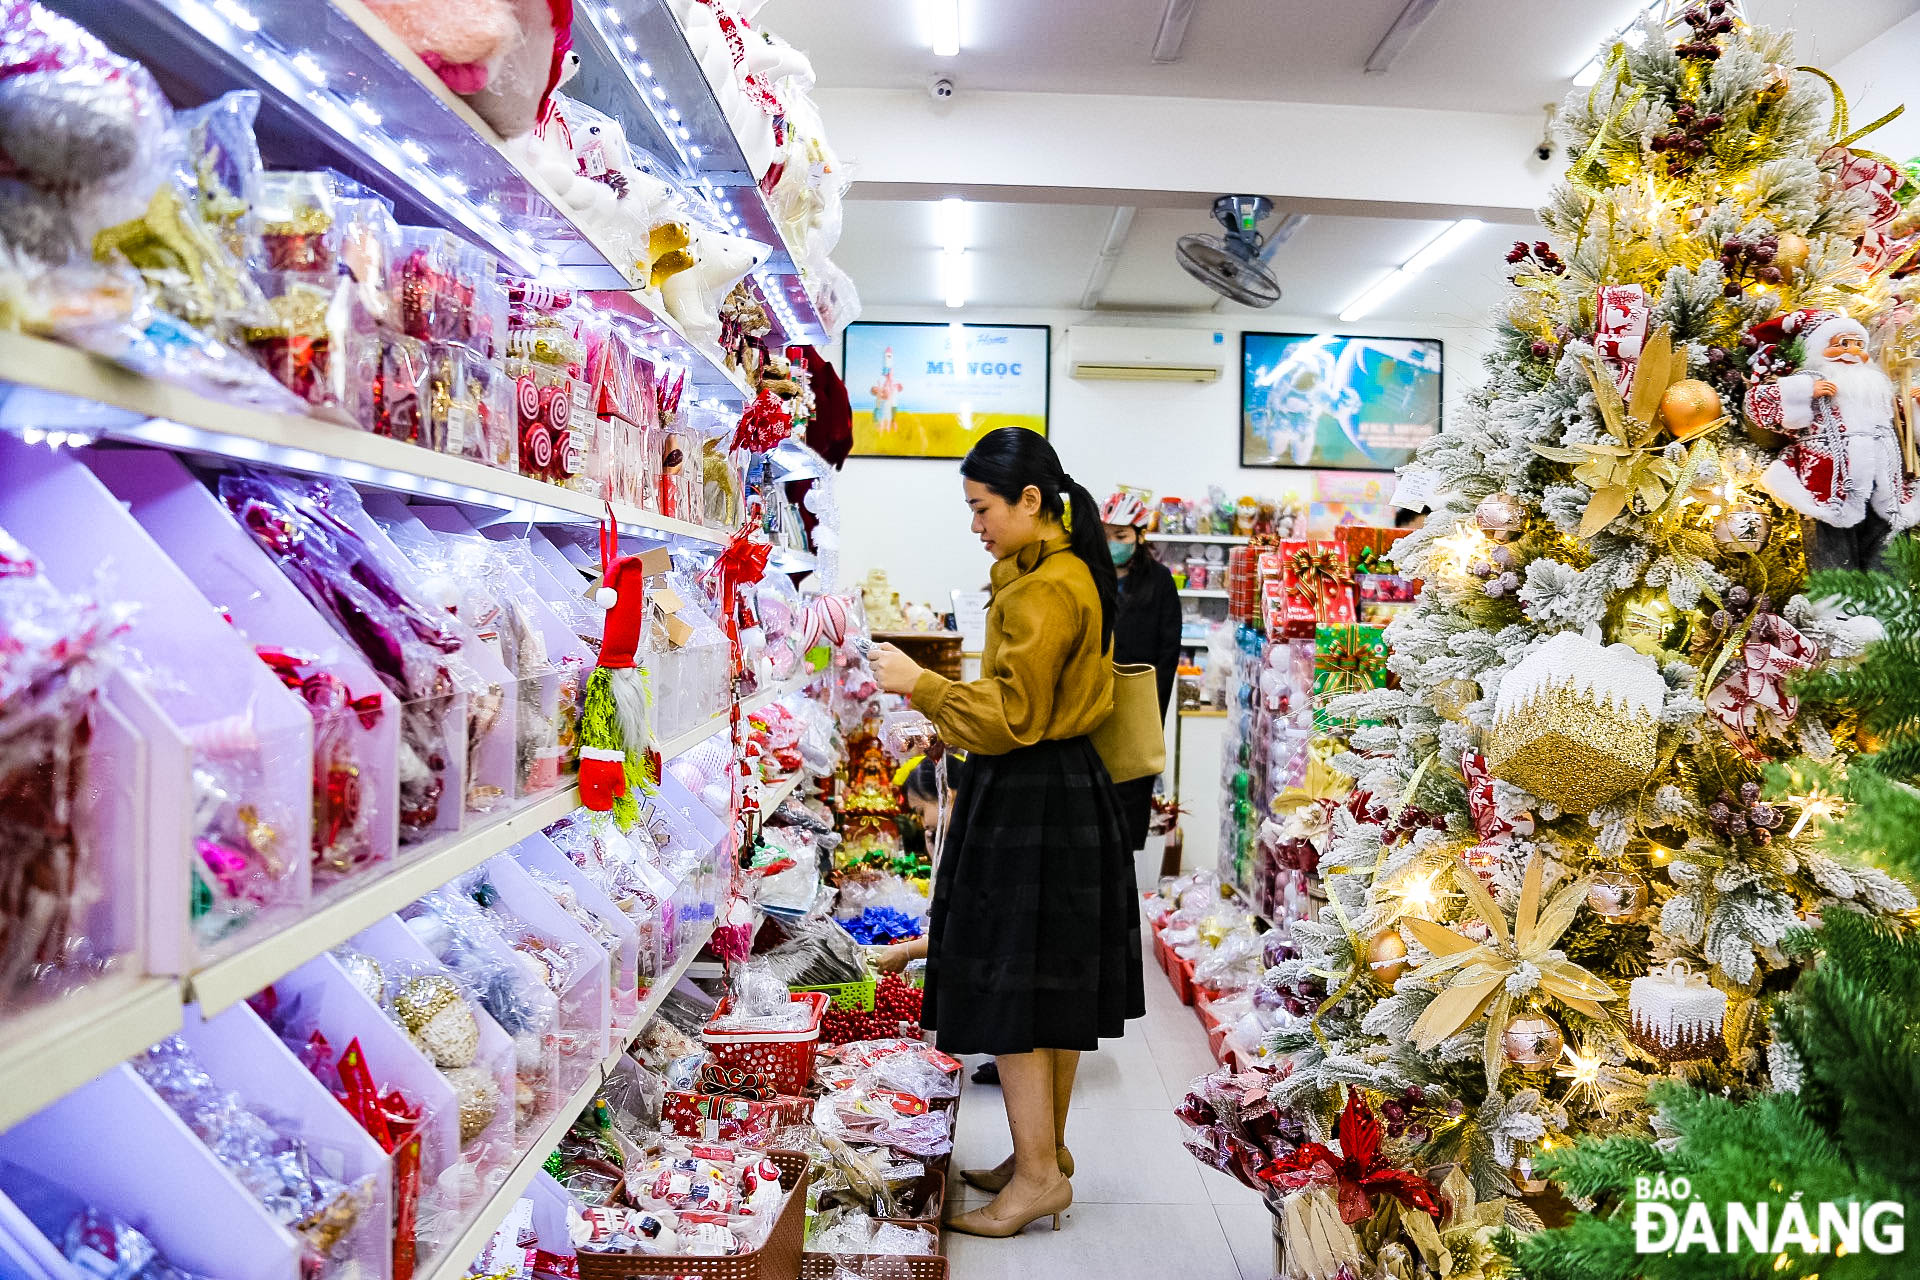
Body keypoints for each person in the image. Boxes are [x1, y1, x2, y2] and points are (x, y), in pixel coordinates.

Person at [870, 428, 1146, 1238]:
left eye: (982, 507)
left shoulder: (1043, 588)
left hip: (1032, 794)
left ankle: (1034, 1179)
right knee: (1053, 985)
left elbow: (1014, 716)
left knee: (1017, 985)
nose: (976, 524)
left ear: (1030, 500)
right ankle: (1044, 1156)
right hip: (1062, 788)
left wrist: (921, 685)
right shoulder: (1060, 571)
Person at [1100, 489, 1182, 853]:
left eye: (1121, 535)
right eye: (1106, 534)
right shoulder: (1088, 575)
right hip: (1092, 697)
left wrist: (1151, 709)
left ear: (1138, 536)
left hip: (1140, 702)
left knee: (1131, 788)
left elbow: (1169, 651)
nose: (1112, 543)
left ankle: (1125, 866)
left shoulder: (1160, 580)